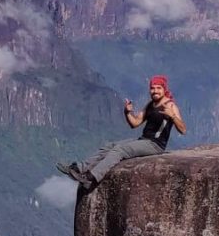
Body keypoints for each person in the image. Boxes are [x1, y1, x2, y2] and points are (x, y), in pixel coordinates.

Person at [57, 75, 186, 189]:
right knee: (110, 146)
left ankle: (90, 177)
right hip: (144, 140)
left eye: (158, 88)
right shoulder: (150, 105)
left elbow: (183, 130)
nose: (155, 91)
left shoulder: (171, 106)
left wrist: (173, 117)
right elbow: (135, 123)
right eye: (153, 88)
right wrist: (127, 112)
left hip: (155, 145)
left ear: (164, 89)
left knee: (120, 150)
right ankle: (80, 168)